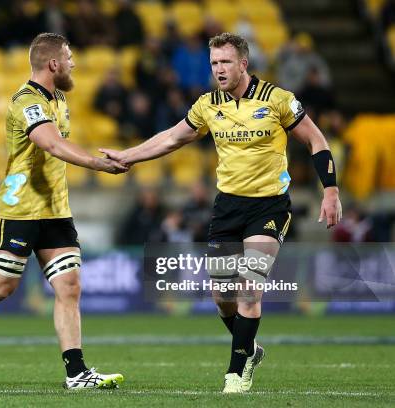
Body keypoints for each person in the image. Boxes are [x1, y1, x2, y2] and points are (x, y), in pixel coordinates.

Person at [100, 32, 342, 393]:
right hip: (227, 206)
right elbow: (172, 138)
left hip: (269, 205)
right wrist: (128, 156)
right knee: (222, 297)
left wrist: (331, 190)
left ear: (243, 63)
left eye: (225, 62)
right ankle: (250, 348)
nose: (219, 69)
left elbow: (315, 139)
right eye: (214, 63)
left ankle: (236, 373)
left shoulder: (278, 100)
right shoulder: (207, 104)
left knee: (249, 290)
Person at [0, 32, 126, 390]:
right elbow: (50, 143)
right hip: (20, 209)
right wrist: (97, 165)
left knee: (69, 286)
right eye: (69, 58)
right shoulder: (26, 100)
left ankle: (76, 373)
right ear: (53, 63)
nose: (74, 64)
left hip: (55, 210)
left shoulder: (59, 99)